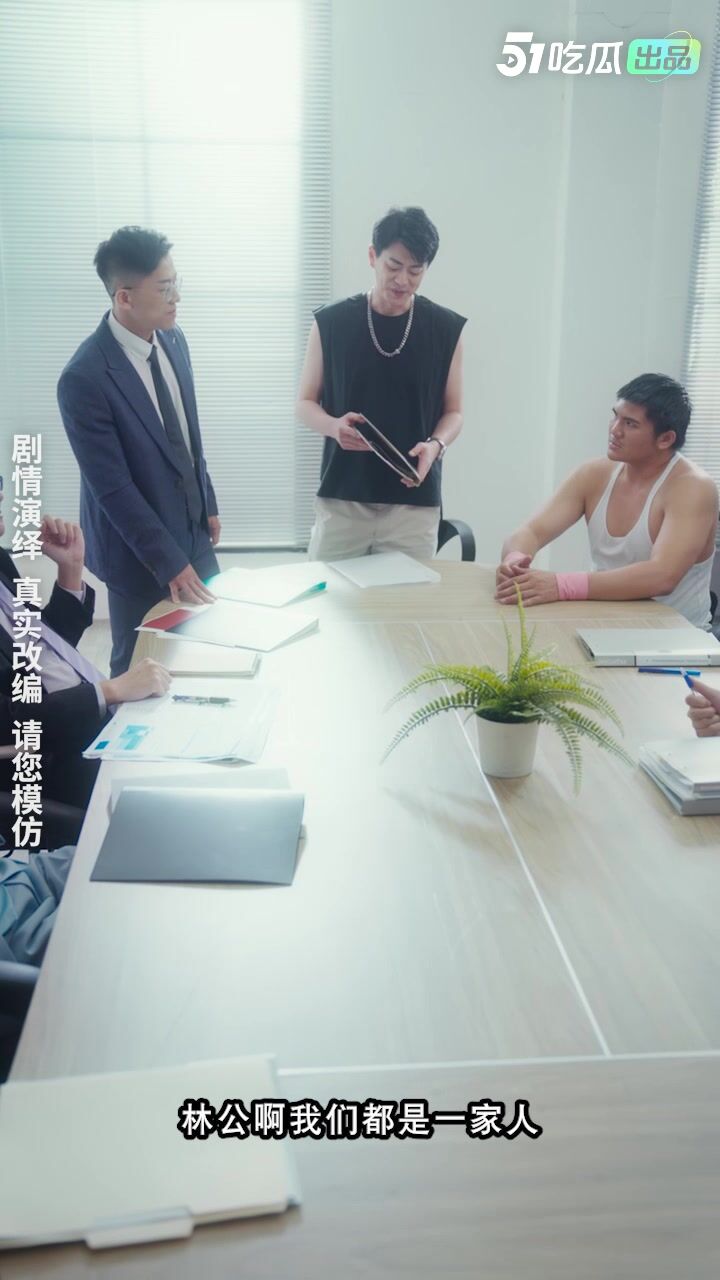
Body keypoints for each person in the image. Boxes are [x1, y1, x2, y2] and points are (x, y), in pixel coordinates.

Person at [57, 226, 220, 676]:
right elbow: (112, 489)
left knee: (212, 646)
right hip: (138, 554)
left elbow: (187, 434)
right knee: (139, 667)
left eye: (175, 283)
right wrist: (169, 561)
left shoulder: (174, 339)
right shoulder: (84, 378)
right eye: (164, 289)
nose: (176, 298)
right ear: (124, 297)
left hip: (194, 533)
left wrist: (206, 502)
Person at [296, 207, 466, 561]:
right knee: (330, 594)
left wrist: (436, 445)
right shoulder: (331, 322)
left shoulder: (445, 329)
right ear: (373, 256)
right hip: (343, 498)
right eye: (394, 266)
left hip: (413, 505)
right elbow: (305, 404)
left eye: (415, 271)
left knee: (407, 597)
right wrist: (333, 426)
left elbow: (454, 413)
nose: (403, 280)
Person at [0, 479, 171, 814]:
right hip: (45, 755)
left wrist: (70, 568)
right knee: (164, 796)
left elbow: (44, 649)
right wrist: (109, 691)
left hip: (87, 716)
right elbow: (9, 721)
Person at [495, 373, 718, 628]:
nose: (614, 430)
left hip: (677, 638)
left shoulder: (693, 488)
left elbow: (662, 576)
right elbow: (531, 531)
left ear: (665, 439)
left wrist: (560, 585)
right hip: (604, 626)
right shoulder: (593, 474)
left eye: (630, 424)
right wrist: (514, 562)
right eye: (615, 416)